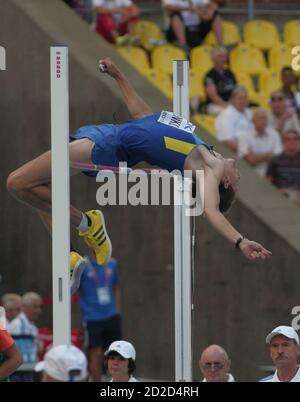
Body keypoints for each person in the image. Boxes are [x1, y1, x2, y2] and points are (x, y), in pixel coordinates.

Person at [6, 57, 271, 262]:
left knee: (17, 183)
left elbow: (212, 212)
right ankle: (70, 254)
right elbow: (143, 115)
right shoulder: (200, 143)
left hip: (108, 145)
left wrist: (240, 241)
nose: (238, 173)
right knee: (36, 186)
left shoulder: (208, 169)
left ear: (225, 182)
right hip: (109, 134)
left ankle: (87, 223)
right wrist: (118, 75)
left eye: (237, 181)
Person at [78, 249, 122, 382]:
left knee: (114, 353)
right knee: (95, 353)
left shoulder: (112, 263)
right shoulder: (82, 265)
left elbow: (117, 287)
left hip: (111, 315)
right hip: (92, 318)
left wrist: (117, 310)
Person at [8, 292, 42, 381]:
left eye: (39, 307)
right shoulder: (17, 325)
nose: (38, 310)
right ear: (24, 307)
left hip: (28, 370)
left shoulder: (31, 325)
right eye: (35, 307)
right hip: (18, 373)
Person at [238, 108, 282, 177]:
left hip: (272, 175)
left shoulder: (274, 134)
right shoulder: (244, 137)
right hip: (252, 175)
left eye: (265, 118)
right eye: (260, 118)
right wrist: (269, 154)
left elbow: (278, 157)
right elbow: (250, 160)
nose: (264, 121)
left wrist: (255, 156)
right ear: (253, 121)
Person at [266, 129, 300, 206]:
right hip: (281, 195)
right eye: (288, 139)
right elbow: (267, 183)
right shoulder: (275, 160)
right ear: (283, 142)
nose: (292, 141)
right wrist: (277, 193)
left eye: (295, 139)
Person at [216, 86, 253, 152]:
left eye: (245, 98)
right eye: (240, 98)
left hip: (251, 149)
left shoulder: (249, 112)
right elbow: (227, 141)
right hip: (234, 153)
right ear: (232, 100)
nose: (243, 101)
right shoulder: (226, 115)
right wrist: (246, 152)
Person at [204, 46, 237, 116]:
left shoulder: (230, 73)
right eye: (220, 56)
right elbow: (213, 95)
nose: (223, 59)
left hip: (231, 103)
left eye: (224, 56)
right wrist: (226, 106)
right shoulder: (209, 75)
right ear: (213, 59)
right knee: (228, 114)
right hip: (215, 105)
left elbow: (236, 91)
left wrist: (232, 104)